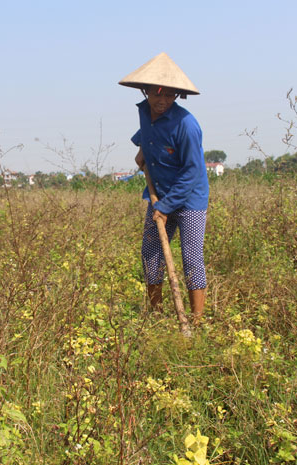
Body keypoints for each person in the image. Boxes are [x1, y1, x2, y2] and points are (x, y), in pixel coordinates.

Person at [118, 52, 209, 325]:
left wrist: (166, 207)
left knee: (191, 257)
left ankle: (196, 320)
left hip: (189, 198)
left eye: (169, 95)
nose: (162, 101)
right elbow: (146, 135)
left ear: (177, 97)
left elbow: (192, 171)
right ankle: (155, 315)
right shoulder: (145, 113)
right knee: (151, 252)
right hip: (158, 195)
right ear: (146, 91)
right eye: (157, 93)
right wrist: (142, 150)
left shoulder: (187, 125)